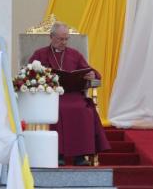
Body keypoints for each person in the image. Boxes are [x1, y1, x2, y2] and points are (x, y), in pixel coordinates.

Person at [28, 22, 110, 166]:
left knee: (83, 110)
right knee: (57, 109)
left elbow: (92, 72)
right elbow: (29, 72)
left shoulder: (75, 54)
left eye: (66, 39)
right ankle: (57, 154)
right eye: (60, 39)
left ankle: (80, 155)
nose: (64, 42)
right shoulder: (40, 54)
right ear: (51, 37)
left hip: (73, 94)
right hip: (50, 95)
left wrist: (92, 74)